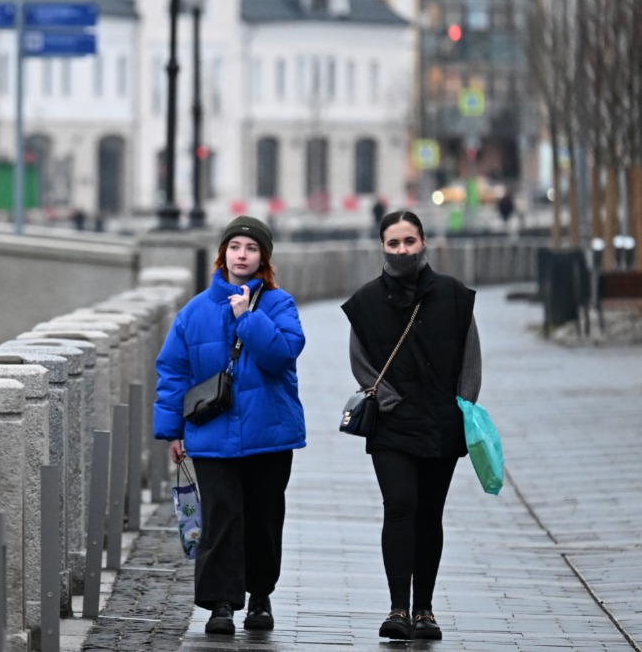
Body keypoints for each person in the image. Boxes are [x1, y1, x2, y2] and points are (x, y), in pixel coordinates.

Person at [154, 216, 307, 636]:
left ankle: (260, 596)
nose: (242, 255)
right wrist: (172, 431)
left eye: (252, 248)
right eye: (236, 246)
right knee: (220, 517)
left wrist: (247, 318)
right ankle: (220, 603)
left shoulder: (279, 304)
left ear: (264, 258)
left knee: (263, 516)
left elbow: (282, 355)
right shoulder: (194, 312)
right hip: (212, 433)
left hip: (269, 434)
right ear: (223, 254)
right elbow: (173, 371)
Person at [340, 210, 481, 641]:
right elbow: (361, 362)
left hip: (441, 422)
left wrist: (462, 405)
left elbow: (470, 358)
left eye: (409, 242)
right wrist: (387, 401)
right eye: (393, 243)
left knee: (429, 513)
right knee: (400, 504)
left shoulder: (454, 295)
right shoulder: (365, 302)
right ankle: (398, 607)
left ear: (424, 243)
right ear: (381, 247)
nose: (402, 250)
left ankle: (425, 610)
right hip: (392, 423)